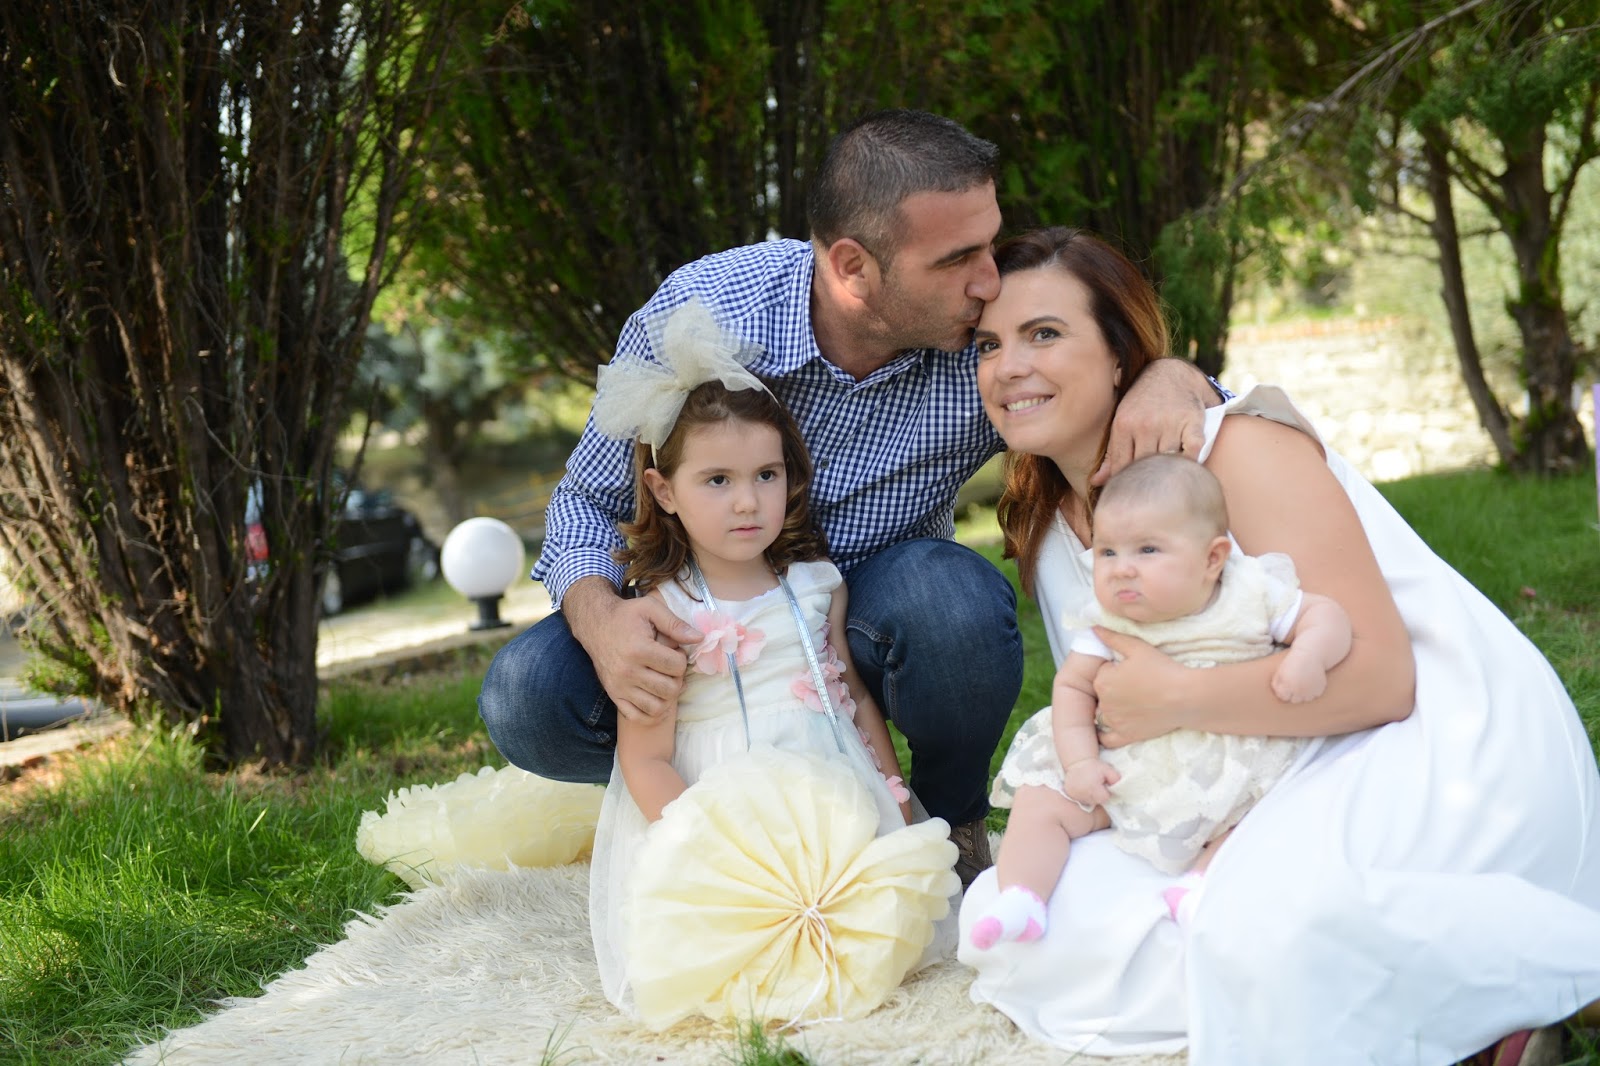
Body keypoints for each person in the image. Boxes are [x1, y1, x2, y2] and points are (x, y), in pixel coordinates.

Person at [477, 109, 1221, 885]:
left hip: (873, 610)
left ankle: (948, 827)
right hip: (708, 624)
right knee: (528, 693)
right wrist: (601, 619)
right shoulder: (709, 311)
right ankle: (719, 804)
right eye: (956, 259)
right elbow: (587, 499)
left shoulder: (982, 346)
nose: (988, 281)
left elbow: (1103, 378)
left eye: (990, 244)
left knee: (952, 604)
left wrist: (1170, 376)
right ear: (852, 267)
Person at [955, 226, 1600, 1065]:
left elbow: (1384, 679)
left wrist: (1176, 698)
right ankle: (1427, 999)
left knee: (1251, 921)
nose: (1009, 366)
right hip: (1245, 770)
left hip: (1420, 739)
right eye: (988, 345)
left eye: (1044, 333)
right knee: (1020, 924)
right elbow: (1124, 714)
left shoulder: (1232, 449)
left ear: (1119, 355)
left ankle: (1519, 981)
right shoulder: (1048, 532)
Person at [584, 298, 928, 1013]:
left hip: (827, 789)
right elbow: (645, 757)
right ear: (663, 491)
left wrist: (893, 792)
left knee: (861, 917)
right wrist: (700, 844)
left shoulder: (816, 585)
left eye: (766, 475)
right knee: (740, 949)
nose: (748, 502)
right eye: (718, 480)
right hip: (714, 811)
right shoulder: (663, 611)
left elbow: (852, 697)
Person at [968, 455, 1352, 951]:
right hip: (1124, 767)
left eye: (1148, 550)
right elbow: (1073, 688)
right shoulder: (1107, 619)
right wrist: (1080, 763)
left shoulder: (1249, 591)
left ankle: (1199, 888)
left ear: (1212, 558)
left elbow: (1326, 616)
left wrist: (1308, 656)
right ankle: (1022, 897)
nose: (1122, 569)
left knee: (1261, 817)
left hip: (1225, 762)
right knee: (1040, 800)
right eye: (1108, 552)